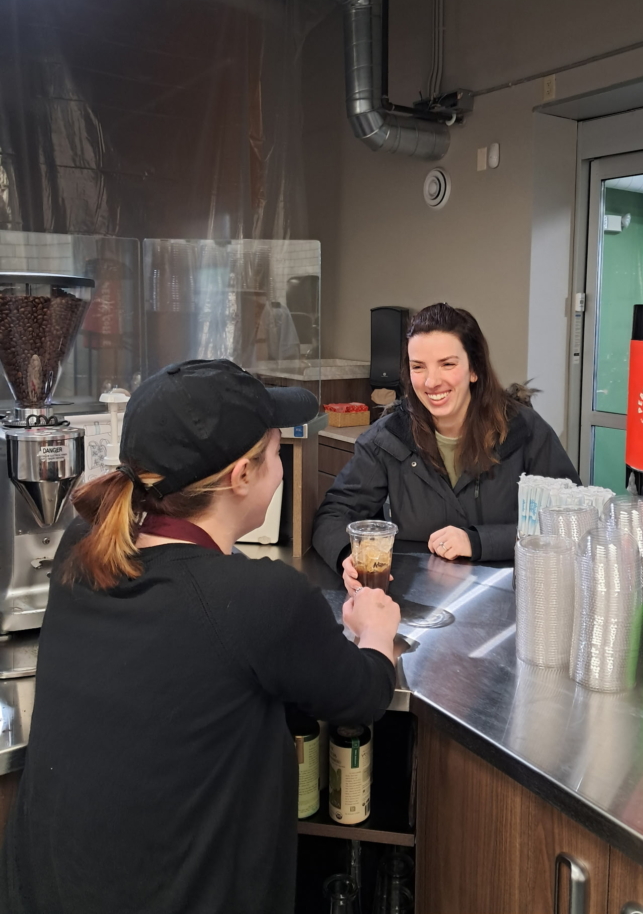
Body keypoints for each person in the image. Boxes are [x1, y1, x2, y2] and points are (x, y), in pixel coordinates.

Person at [0, 360, 400, 914]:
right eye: (277, 453)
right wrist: (376, 630)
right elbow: (363, 694)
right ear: (241, 476)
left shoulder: (82, 542)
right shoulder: (261, 599)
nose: (281, 469)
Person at [313, 304, 580, 590]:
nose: (431, 382)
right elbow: (333, 515)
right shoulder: (388, 437)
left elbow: (571, 523)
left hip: (517, 598)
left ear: (474, 369)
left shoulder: (525, 430)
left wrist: (479, 541)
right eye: (418, 367)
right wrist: (347, 555)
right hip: (417, 600)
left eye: (447, 364)